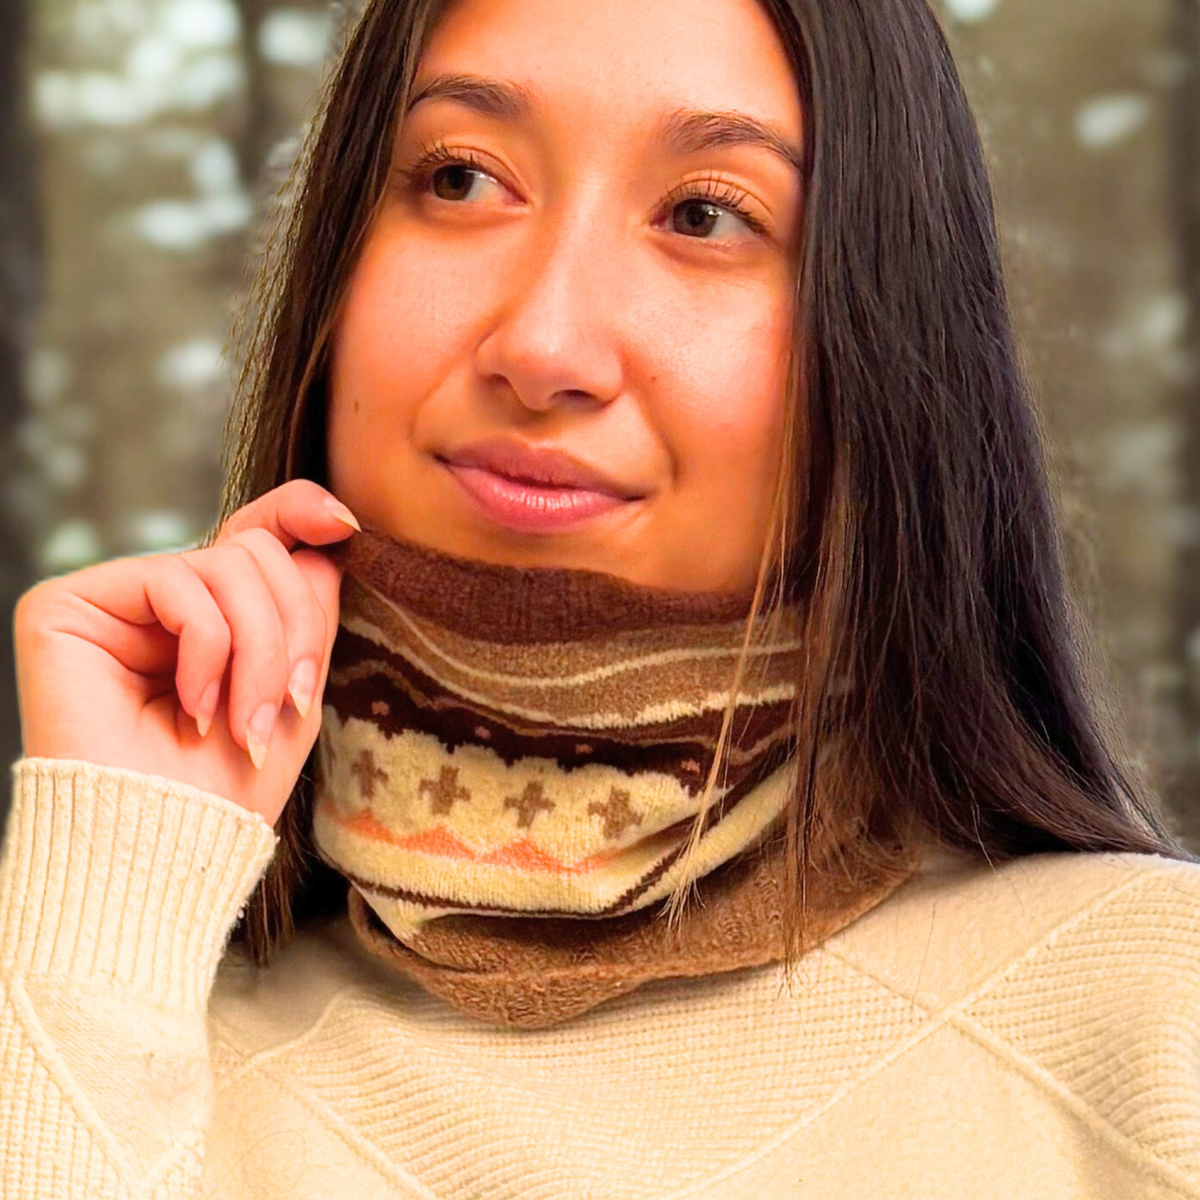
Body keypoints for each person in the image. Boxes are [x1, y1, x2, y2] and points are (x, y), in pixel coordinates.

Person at [3, 0, 1199, 1194]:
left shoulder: (1149, 1016)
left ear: (889, 344)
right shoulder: (96, 1022)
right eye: (461, 180)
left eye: (705, 214)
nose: (545, 343)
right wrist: (108, 905)